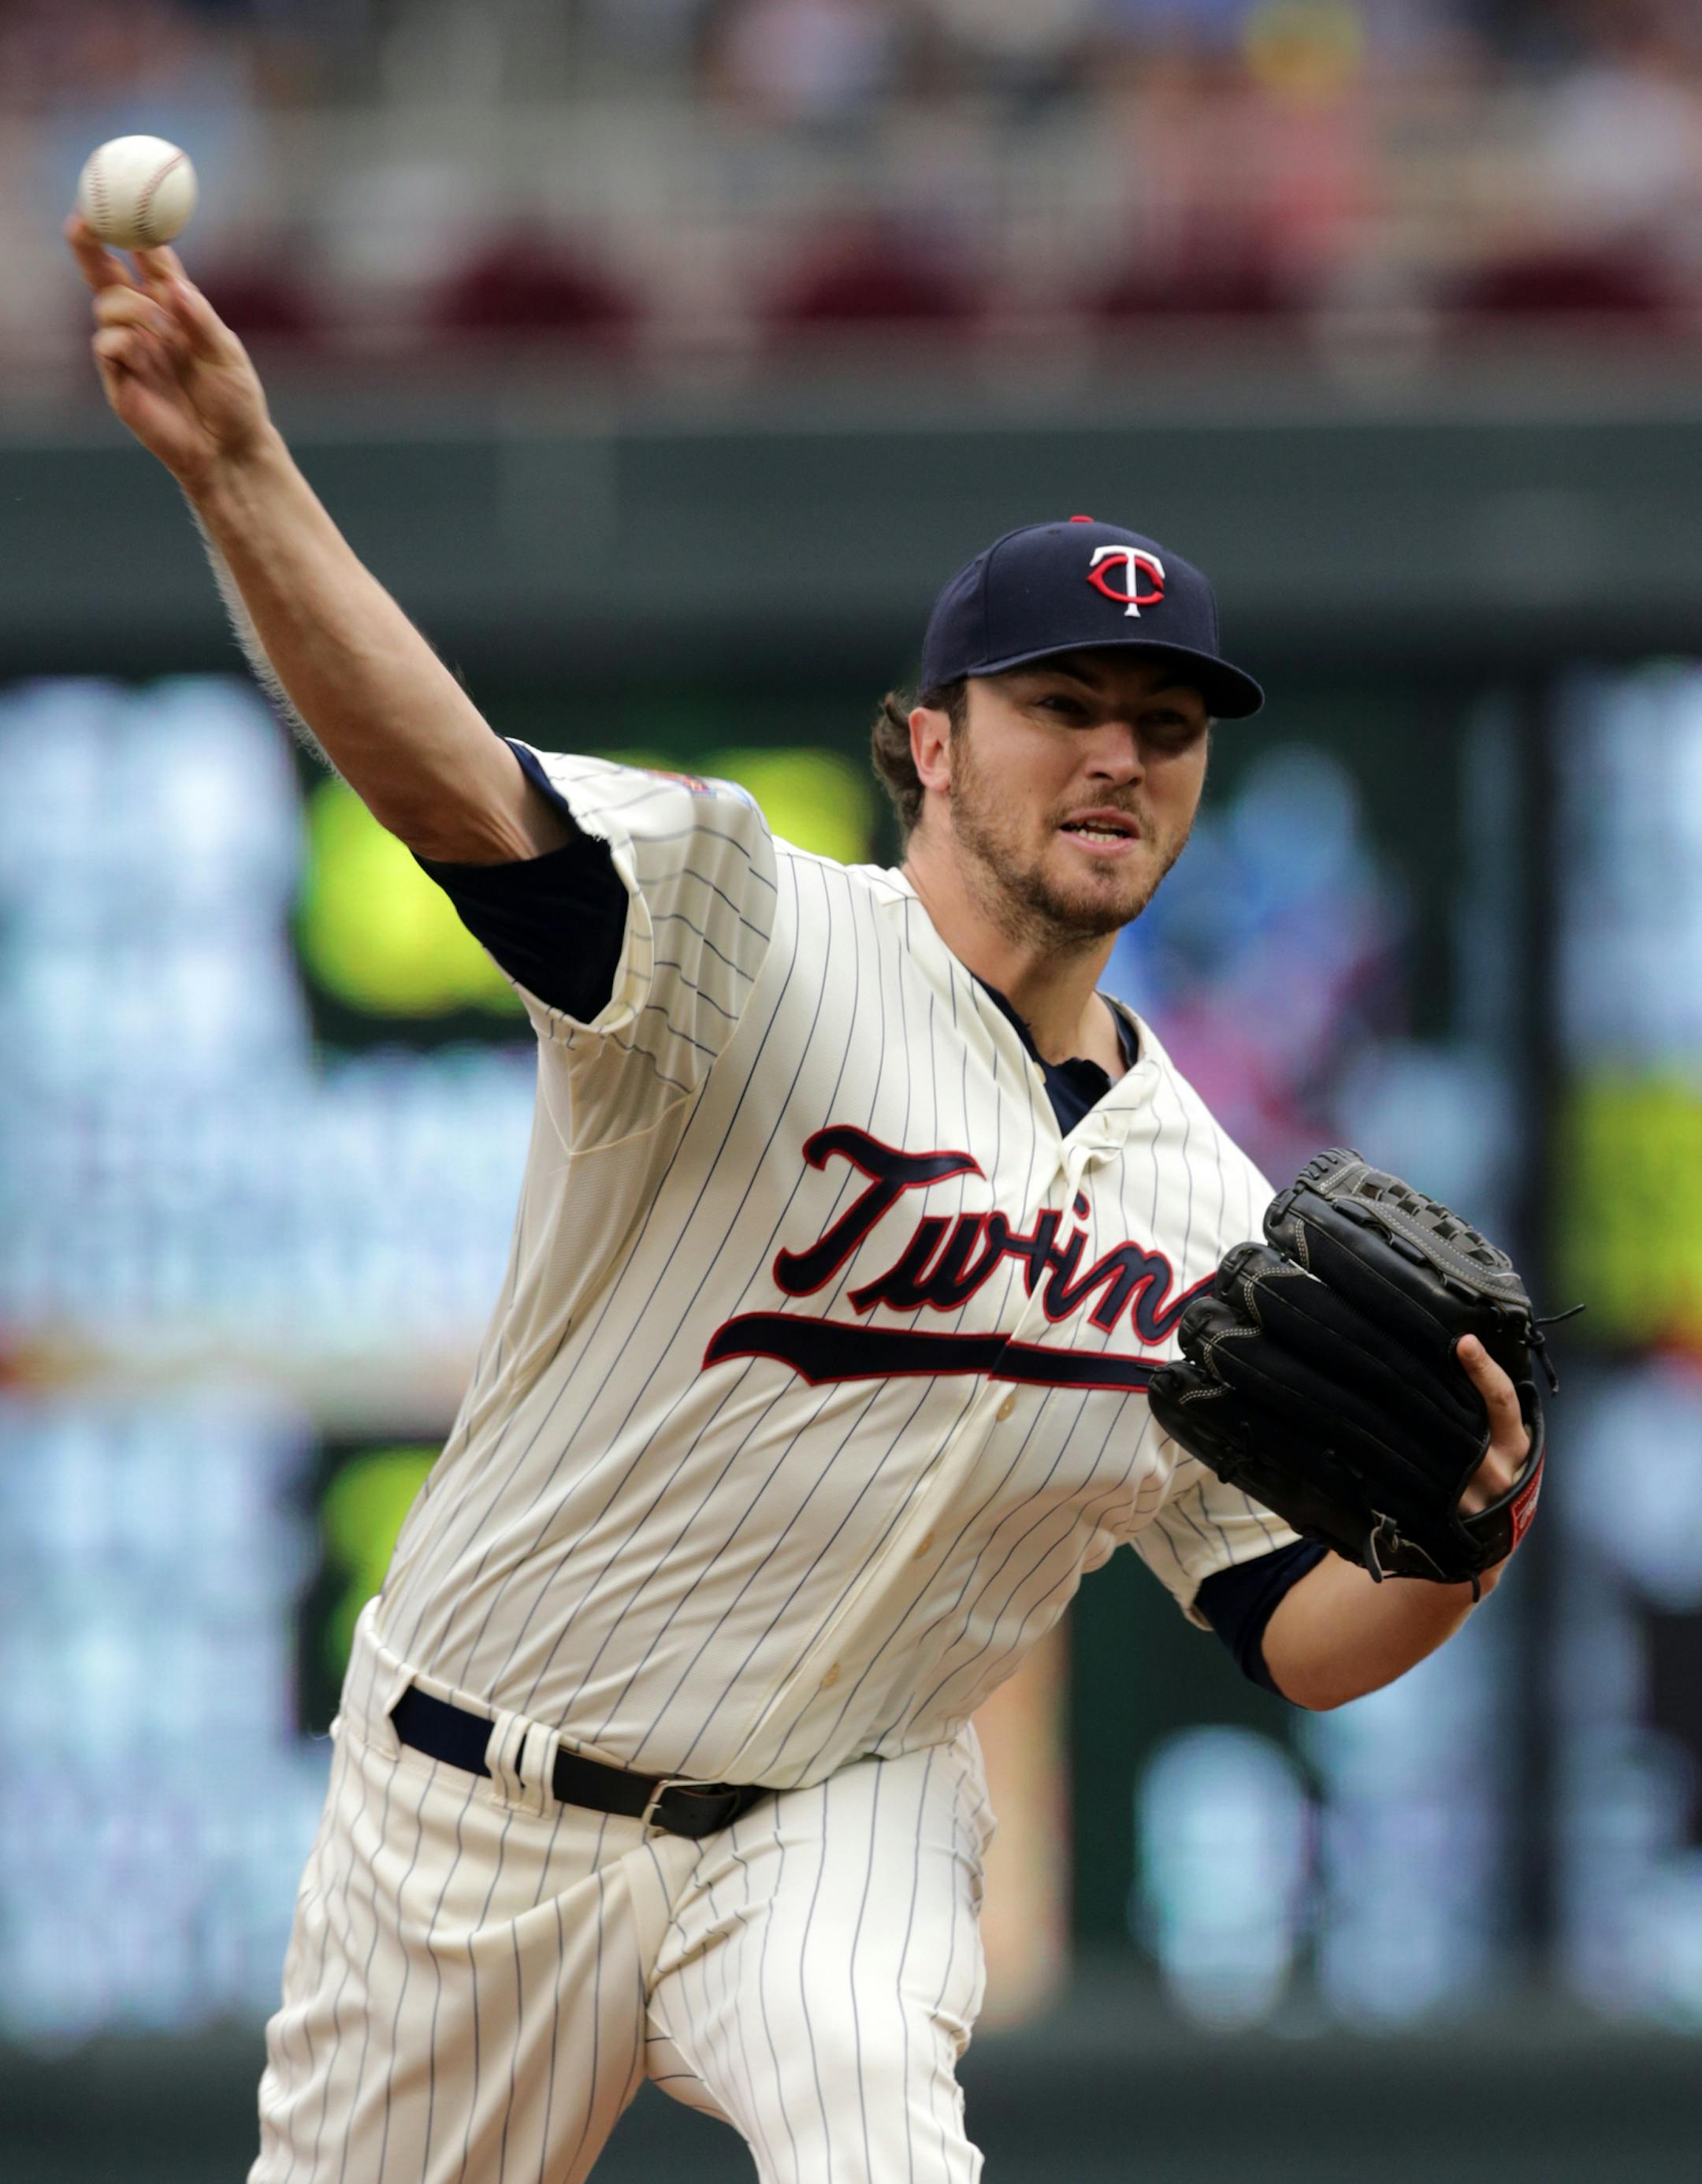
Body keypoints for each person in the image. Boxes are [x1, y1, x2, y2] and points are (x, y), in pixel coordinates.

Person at [69, 218, 1533, 2184]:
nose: (1120, 756)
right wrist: (240, 473)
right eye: (1062, 706)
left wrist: (1463, 1549)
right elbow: (439, 782)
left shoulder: (1209, 1210)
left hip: (840, 1808)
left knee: (880, 2147)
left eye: (1166, 727)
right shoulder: (741, 937)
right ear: (929, 744)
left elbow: (1283, 1626)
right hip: (480, 1801)